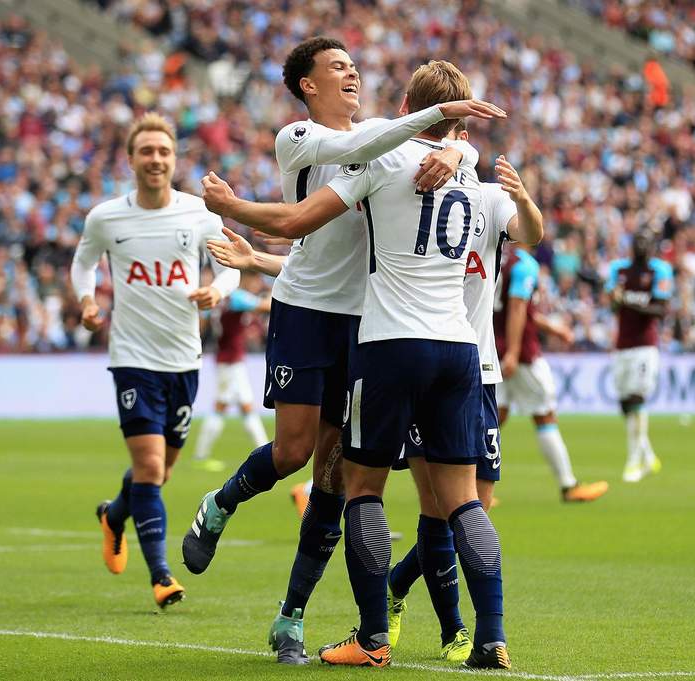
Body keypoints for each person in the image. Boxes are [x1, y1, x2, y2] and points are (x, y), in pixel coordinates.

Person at [181, 36, 504, 665]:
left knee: (333, 475)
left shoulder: (391, 136)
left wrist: (453, 145)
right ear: (308, 85)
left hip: (367, 320)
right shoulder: (299, 138)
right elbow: (365, 155)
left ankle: (291, 618)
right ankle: (219, 504)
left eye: (354, 65)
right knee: (293, 451)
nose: (352, 72)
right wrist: (445, 132)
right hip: (306, 309)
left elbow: (417, 150)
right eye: (337, 66)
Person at [385, 122, 544, 662]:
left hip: (481, 370)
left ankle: (398, 583)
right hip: (433, 364)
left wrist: (522, 196)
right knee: (441, 505)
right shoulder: (411, 189)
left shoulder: (489, 199)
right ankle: (461, 629)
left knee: (474, 507)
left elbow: (533, 234)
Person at [69, 113, 239, 609]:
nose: (156, 159)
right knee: (147, 465)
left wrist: (217, 289)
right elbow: (82, 264)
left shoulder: (199, 214)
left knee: (160, 472)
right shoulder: (106, 218)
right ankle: (162, 576)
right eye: (146, 151)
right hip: (132, 357)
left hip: (183, 359)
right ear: (131, 159)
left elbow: (230, 265)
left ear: (173, 158)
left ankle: (114, 515)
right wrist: (86, 302)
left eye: (164, 151)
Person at [494, 243, 609, 502]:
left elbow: (521, 310)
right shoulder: (525, 264)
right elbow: (516, 308)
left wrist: (553, 329)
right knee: (544, 415)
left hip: (494, 346)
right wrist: (513, 351)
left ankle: (474, 490)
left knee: (494, 415)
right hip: (521, 354)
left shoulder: (500, 258)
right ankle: (569, 486)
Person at [605, 229, 673, 482]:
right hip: (622, 344)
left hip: (646, 345)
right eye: (638, 241)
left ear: (652, 246)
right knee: (625, 403)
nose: (642, 245)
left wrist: (628, 302)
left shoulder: (660, 271)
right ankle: (648, 454)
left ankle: (634, 461)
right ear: (633, 245)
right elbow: (612, 305)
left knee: (637, 397)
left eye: (646, 241)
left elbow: (660, 310)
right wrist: (615, 299)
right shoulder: (619, 270)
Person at [191, 273, 271, 472]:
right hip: (231, 360)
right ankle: (201, 455)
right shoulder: (236, 298)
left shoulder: (217, 300)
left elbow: (203, 321)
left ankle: (266, 452)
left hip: (226, 358)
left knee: (245, 406)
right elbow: (266, 306)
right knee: (223, 406)